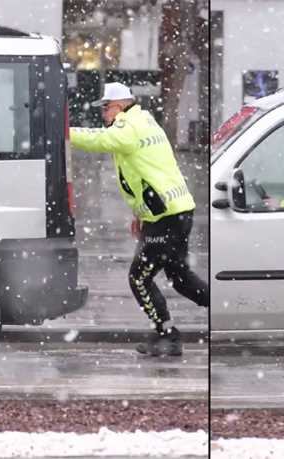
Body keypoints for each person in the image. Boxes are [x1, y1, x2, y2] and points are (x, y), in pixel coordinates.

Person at [70, 82, 208, 357]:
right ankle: (220, 310)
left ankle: (168, 335)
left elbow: (100, 140)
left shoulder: (126, 126)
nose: (104, 114)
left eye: (106, 107)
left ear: (119, 106)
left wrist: (64, 132)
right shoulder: (145, 120)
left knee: (139, 278)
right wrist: (140, 213)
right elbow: (146, 170)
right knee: (180, 277)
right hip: (175, 210)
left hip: (165, 216)